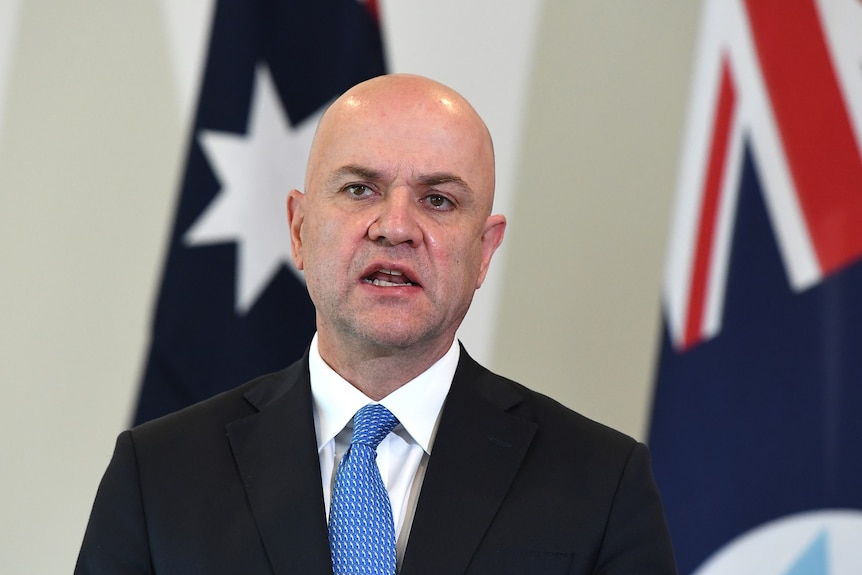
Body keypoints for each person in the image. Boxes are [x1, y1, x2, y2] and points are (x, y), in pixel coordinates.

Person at [75, 74, 677, 574]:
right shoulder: (157, 475)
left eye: (438, 200)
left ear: (485, 250)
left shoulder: (601, 483)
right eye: (360, 189)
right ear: (300, 229)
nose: (395, 226)